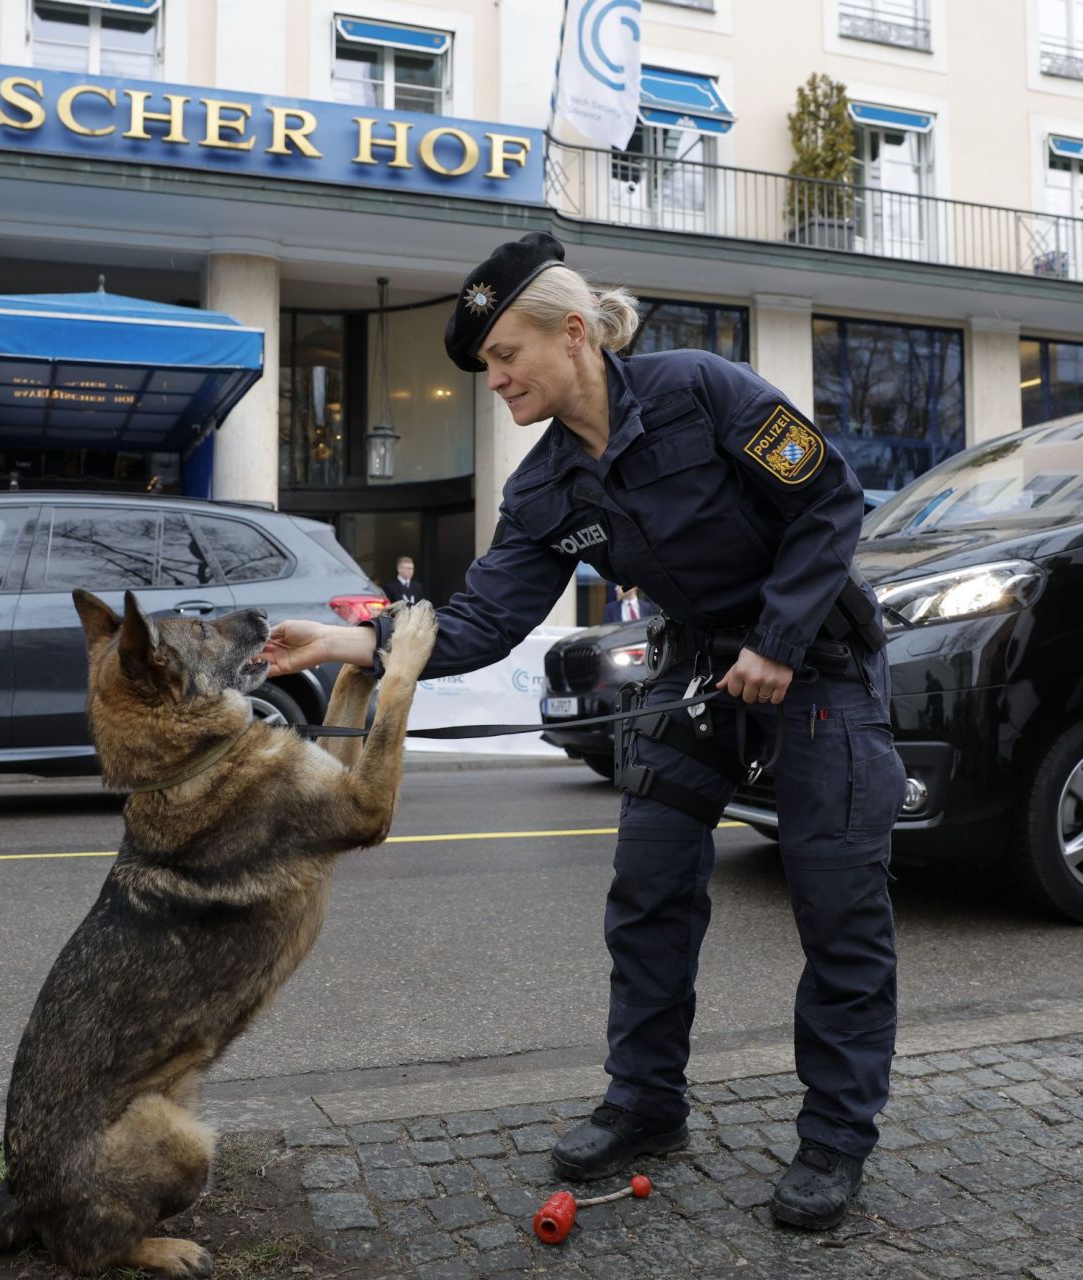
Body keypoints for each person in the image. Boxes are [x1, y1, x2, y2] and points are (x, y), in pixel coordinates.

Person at [260, 233, 902, 1231]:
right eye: (486, 369)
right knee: (647, 887)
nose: (496, 380)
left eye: (504, 357)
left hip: (816, 661)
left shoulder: (706, 391)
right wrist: (348, 642)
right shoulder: (549, 490)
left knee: (835, 904)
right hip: (697, 673)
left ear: (571, 334)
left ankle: (834, 1138)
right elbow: (476, 623)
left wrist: (777, 638)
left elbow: (828, 500)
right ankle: (646, 1103)